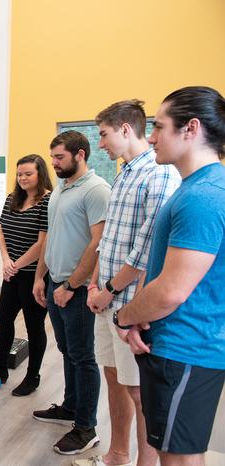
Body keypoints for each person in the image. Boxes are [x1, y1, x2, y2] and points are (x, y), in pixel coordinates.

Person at [114, 86, 225, 466]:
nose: (153, 137)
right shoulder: (195, 189)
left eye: (159, 127)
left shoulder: (204, 196)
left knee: (178, 457)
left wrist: (124, 316)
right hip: (171, 345)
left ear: (191, 128)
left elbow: (172, 290)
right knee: (174, 452)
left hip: (185, 348)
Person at [74, 100, 181, 466]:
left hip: (131, 305)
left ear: (124, 130)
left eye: (103, 134)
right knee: (115, 378)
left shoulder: (158, 173)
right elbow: (109, 241)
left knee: (140, 392)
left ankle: (144, 464)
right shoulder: (124, 172)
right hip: (105, 296)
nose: (100, 143)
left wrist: (110, 290)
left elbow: (147, 249)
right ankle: (116, 456)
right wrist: (93, 284)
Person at [31, 131, 110, 455]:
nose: (53, 163)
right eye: (52, 157)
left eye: (59, 157)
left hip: (74, 290)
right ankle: (70, 407)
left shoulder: (96, 190)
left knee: (83, 357)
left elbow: (98, 244)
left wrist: (71, 286)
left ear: (80, 154)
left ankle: (85, 427)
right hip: (55, 284)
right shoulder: (60, 190)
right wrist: (41, 278)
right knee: (67, 352)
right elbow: (49, 239)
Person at [0, 154, 53, 396]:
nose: (22, 178)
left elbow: (42, 244)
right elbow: (2, 232)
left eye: (28, 174)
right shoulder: (12, 198)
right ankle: (0, 366)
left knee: (34, 327)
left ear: (40, 174)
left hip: (35, 276)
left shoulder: (48, 201)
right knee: (4, 318)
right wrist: (6, 260)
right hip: (12, 272)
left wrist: (16, 265)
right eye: (19, 174)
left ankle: (32, 376)